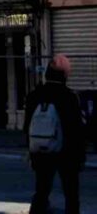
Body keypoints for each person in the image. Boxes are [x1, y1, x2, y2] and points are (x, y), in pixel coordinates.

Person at [24, 55, 85, 214]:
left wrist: (30, 149)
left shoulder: (34, 95)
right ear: (64, 75)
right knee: (71, 193)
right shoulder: (69, 96)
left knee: (42, 190)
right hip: (66, 152)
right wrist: (80, 155)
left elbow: (27, 125)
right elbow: (76, 129)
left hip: (40, 149)